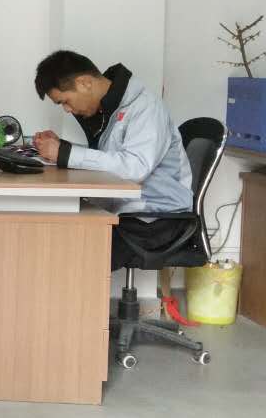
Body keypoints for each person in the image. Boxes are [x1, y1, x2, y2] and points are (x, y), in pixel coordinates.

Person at [33, 50, 193, 269]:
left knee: (71, 256)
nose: (67, 110)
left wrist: (66, 153)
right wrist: (62, 148)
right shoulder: (112, 109)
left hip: (156, 220)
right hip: (128, 213)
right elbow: (112, 158)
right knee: (54, 235)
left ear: (84, 83)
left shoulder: (145, 107)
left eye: (65, 101)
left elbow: (135, 168)